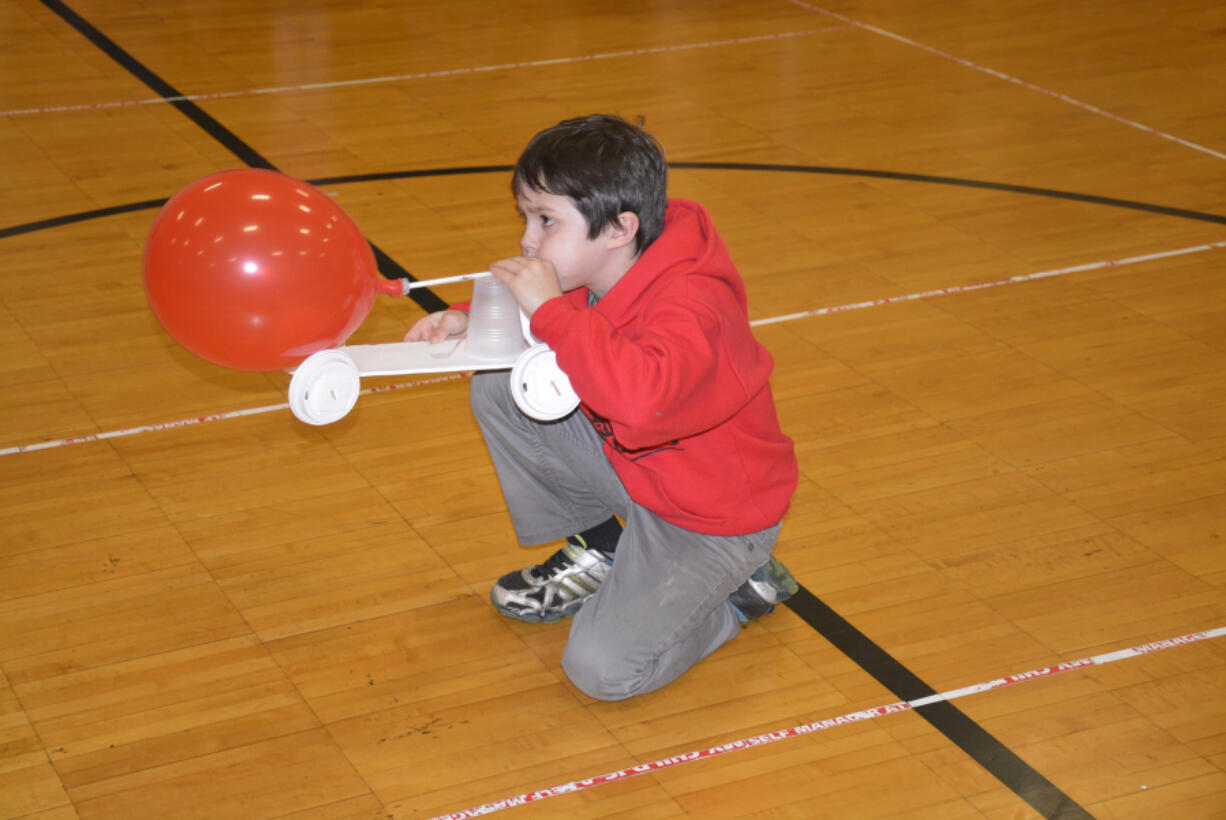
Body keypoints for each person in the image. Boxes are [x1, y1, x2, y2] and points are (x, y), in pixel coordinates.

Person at [405, 114, 799, 701]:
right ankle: (605, 544)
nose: (526, 240)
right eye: (526, 217)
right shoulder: (613, 261)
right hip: (642, 480)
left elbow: (641, 401)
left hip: (711, 520)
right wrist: (468, 316)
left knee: (601, 672)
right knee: (502, 384)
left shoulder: (693, 305)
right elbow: (559, 318)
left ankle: (734, 597)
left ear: (619, 228)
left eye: (545, 221)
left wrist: (549, 313)